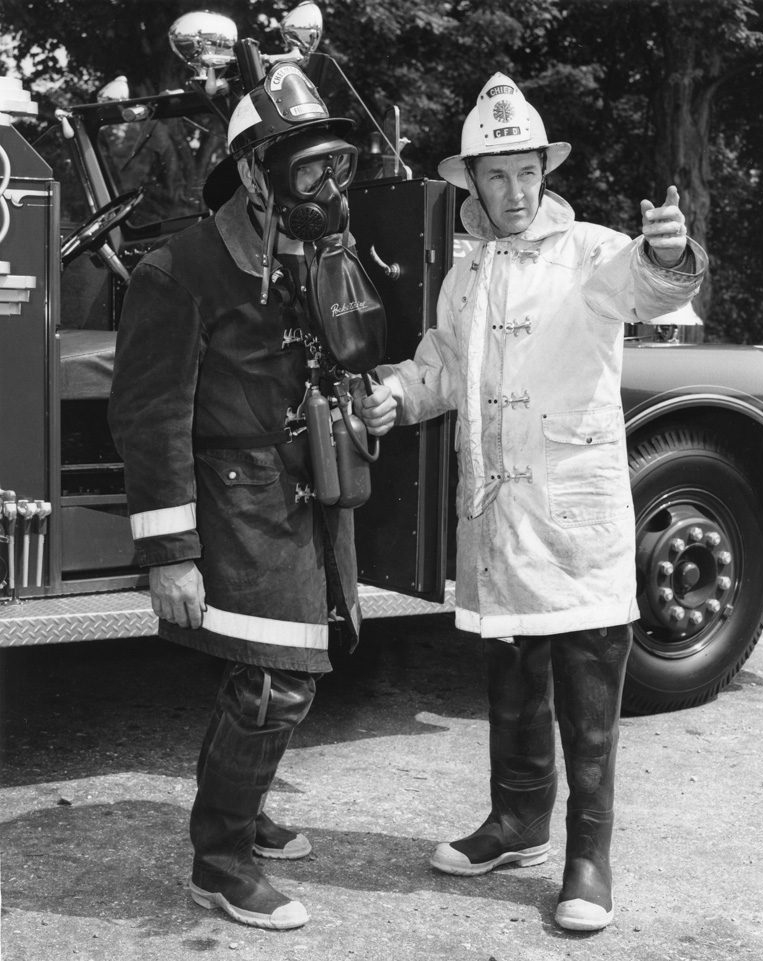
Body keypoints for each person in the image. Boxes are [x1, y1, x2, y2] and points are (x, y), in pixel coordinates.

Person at [354, 72, 708, 932]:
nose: (513, 192)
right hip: (498, 520)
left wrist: (666, 249)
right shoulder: (465, 272)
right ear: (471, 180)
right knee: (509, 669)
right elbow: (441, 363)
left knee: (588, 682)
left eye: (526, 172)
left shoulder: (592, 251)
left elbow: (656, 289)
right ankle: (517, 822)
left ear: (544, 173)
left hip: (574, 520)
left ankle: (589, 854)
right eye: (495, 174)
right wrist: (396, 394)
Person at [109, 64, 386, 931]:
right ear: (258, 171)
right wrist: (170, 554)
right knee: (276, 682)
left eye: (336, 166)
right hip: (234, 496)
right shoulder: (179, 269)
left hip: (307, 486)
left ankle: (247, 804)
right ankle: (219, 861)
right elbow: (150, 418)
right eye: (310, 169)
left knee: (290, 661)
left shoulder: (315, 252)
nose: (329, 186)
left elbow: (337, 356)